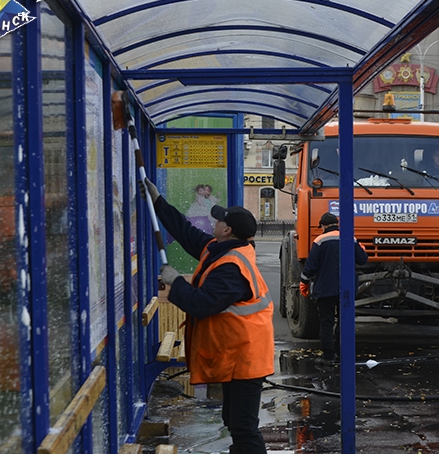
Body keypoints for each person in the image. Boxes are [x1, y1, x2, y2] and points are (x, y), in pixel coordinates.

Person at [141, 179, 273, 454]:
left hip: (246, 357)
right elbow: (186, 231)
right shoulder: (220, 249)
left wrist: (175, 282)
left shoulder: (232, 267)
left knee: (244, 427)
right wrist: (158, 202)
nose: (214, 222)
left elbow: (201, 304)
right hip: (238, 353)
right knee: (234, 421)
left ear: (227, 230)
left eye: (219, 220)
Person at [299, 212, 368, 364]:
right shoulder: (350, 238)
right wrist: (361, 249)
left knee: (327, 322)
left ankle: (328, 356)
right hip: (346, 289)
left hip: (325, 288)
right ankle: (342, 354)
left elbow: (311, 266)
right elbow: (362, 260)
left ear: (323, 226)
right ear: (337, 224)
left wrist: (304, 282)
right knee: (344, 321)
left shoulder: (320, 240)